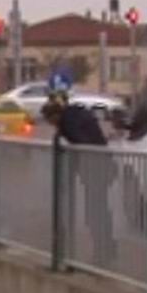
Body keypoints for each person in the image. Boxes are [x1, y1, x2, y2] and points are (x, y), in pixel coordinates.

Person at [53, 90, 114, 266]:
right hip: (101, 166)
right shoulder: (76, 115)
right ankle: (105, 249)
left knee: (95, 211)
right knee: (99, 209)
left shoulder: (69, 122)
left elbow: (81, 145)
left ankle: (103, 252)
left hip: (95, 169)